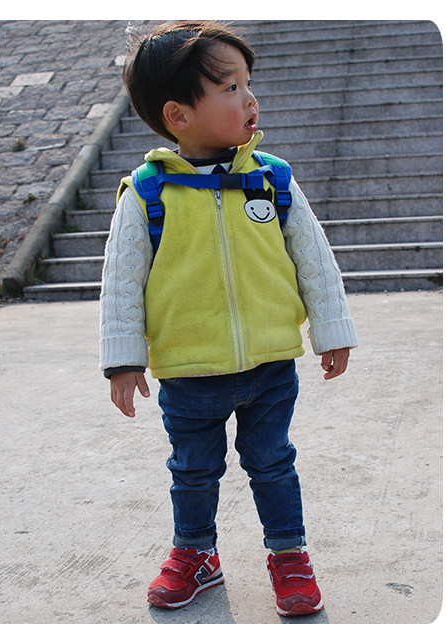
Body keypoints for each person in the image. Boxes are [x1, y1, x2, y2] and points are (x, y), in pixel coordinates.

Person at [100, 20, 359, 617]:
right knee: (192, 470)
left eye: (248, 83)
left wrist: (331, 330)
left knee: (273, 463)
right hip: (188, 372)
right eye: (230, 87)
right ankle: (196, 553)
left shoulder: (272, 179)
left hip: (270, 364)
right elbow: (121, 281)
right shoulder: (147, 193)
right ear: (178, 114)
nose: (249, 99)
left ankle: (289, 554)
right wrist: (122, 360)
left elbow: (314, 260)